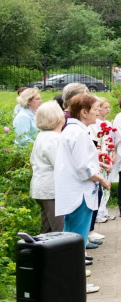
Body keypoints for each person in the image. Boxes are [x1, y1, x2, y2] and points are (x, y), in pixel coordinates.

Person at [55, 94, 110, 295]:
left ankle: (71, 279)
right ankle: (76, 283)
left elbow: (81, 161)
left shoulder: (73, 130)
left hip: (74, 193)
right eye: (95, 108)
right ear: (83, 112)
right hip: (80, 195)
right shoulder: (77, 133)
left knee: (72, 238)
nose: (98, 112)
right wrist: (101, 179)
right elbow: (83, 169)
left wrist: (98, 163)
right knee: (77, 240)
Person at [30, 100, 65, 233]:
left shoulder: (42, 136)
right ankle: (60, 253)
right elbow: (61, 165)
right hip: (51, 189)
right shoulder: (54, 138)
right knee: (58, 229)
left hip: (40, 187)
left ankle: (42, 253)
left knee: (47, 228)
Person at [89, 97, 118, 225]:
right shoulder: (94, 124)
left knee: (107, 182)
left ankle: (104, 209)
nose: (108, 110)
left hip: (108, 152)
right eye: (105, 107)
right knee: (100, 183)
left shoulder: (108, 123)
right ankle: (98, 212)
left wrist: (113, 153)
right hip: (100, 154)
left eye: (108, 107)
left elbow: (111, 139)